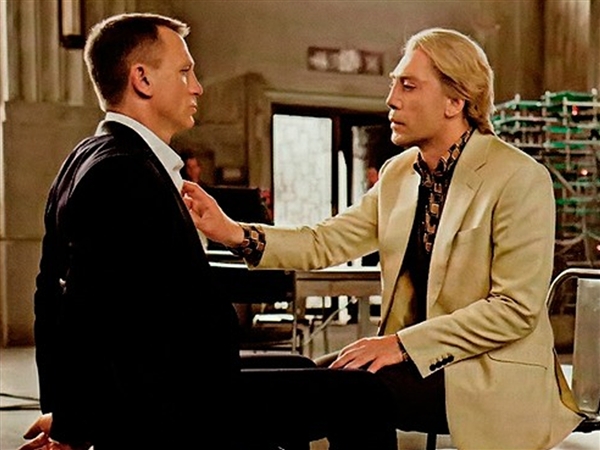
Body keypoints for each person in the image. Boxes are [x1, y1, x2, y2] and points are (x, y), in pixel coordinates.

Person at [182, 27, 585, 449]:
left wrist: (400, 345)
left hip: (493, 372)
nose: (391, 99)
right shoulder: (398, 173)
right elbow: (325, 241)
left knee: (351, 394)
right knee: (303, 390)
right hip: (417, 362)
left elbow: (514, 310)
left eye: (408, 85)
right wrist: (232, 232)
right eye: (394, 84)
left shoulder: (519, 178)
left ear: (456, 101)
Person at [19, 13, 240, 450]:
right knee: (361, 396)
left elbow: (54, 296)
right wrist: (72, 425)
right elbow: (84, 309)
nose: (197, 87)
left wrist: (66, 412)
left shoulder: (90, 155)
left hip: (173, 394)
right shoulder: (122, 171)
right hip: (177, 410)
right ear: (142, 79)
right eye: (185, 71)